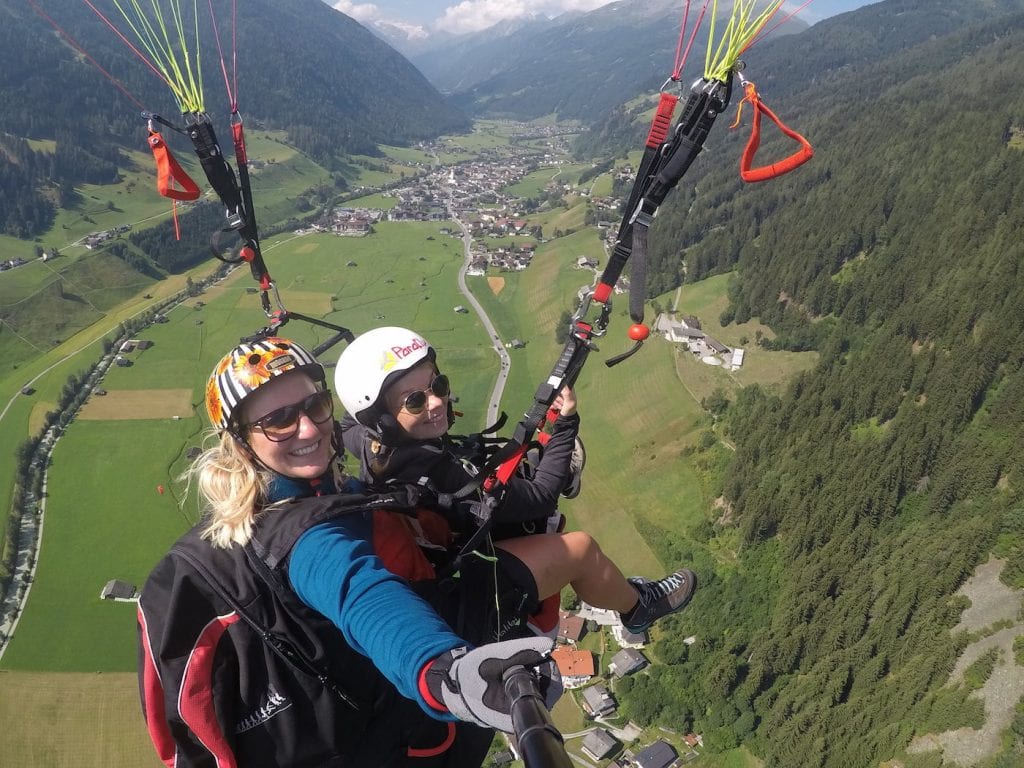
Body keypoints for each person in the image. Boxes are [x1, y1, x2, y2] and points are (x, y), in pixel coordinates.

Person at [137, 336, 560, 768]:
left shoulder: (302, 492)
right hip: (391, 728)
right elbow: (361, 593)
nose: (307, 428)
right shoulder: (300, 534)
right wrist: (446, 673)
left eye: (315, 406)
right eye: (279, 420)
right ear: (242, 443)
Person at [334, 326, 698, 642]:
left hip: (440, 544)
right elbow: (539, 498)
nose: (437, 402)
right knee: (582, 548)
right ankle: (638, 607)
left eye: (437, 385)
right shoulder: (443, 478)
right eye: (414, 401)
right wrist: (566, 422)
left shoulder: (371, 444)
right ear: (381, 418)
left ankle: (554, 466)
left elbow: (347, 424)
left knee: (517, 464)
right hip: (467, 595)